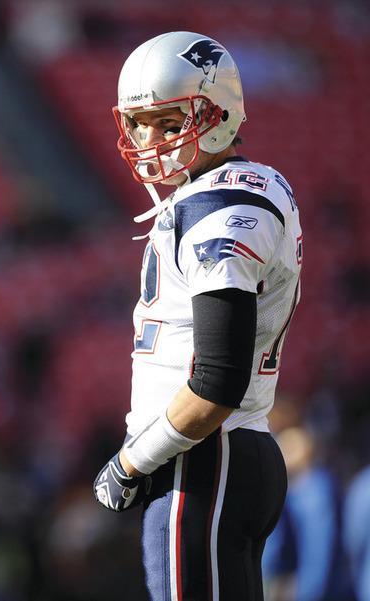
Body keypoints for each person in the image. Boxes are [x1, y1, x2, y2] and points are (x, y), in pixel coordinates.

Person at [93, 31, 303, 601]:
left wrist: (129, 464)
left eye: (166, 122)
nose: (147, 139)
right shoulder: (215, 194)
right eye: (138, 123)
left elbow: (217, 380)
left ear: (218, 113)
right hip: (222, 458)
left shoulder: (222, 207)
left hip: (207, 460)